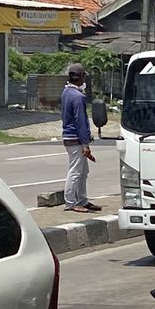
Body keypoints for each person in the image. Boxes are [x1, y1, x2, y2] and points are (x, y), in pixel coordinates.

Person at [60, 63, 98, 214]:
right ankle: (70, 202)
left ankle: (82, 200)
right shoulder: (78, 97)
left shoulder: (66, 92)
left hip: (69, 137)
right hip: (75, 139)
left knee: (83, 171)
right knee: (76, 171)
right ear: (81, 77)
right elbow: (81, 122)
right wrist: (85, 144)